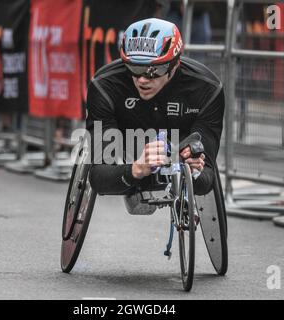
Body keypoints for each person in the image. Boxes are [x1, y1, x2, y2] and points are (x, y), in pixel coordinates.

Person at [86, 18, 224, 214]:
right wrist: (135, 170)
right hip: (127, 145)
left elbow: (207, 177)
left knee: (198, 173)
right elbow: (98, 178)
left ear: (175, 64)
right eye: (134, 67)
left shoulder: (207, 89)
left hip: (180, 142)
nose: (142, 79)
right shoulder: (104, 85)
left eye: (154, 70)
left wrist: (194, 172)